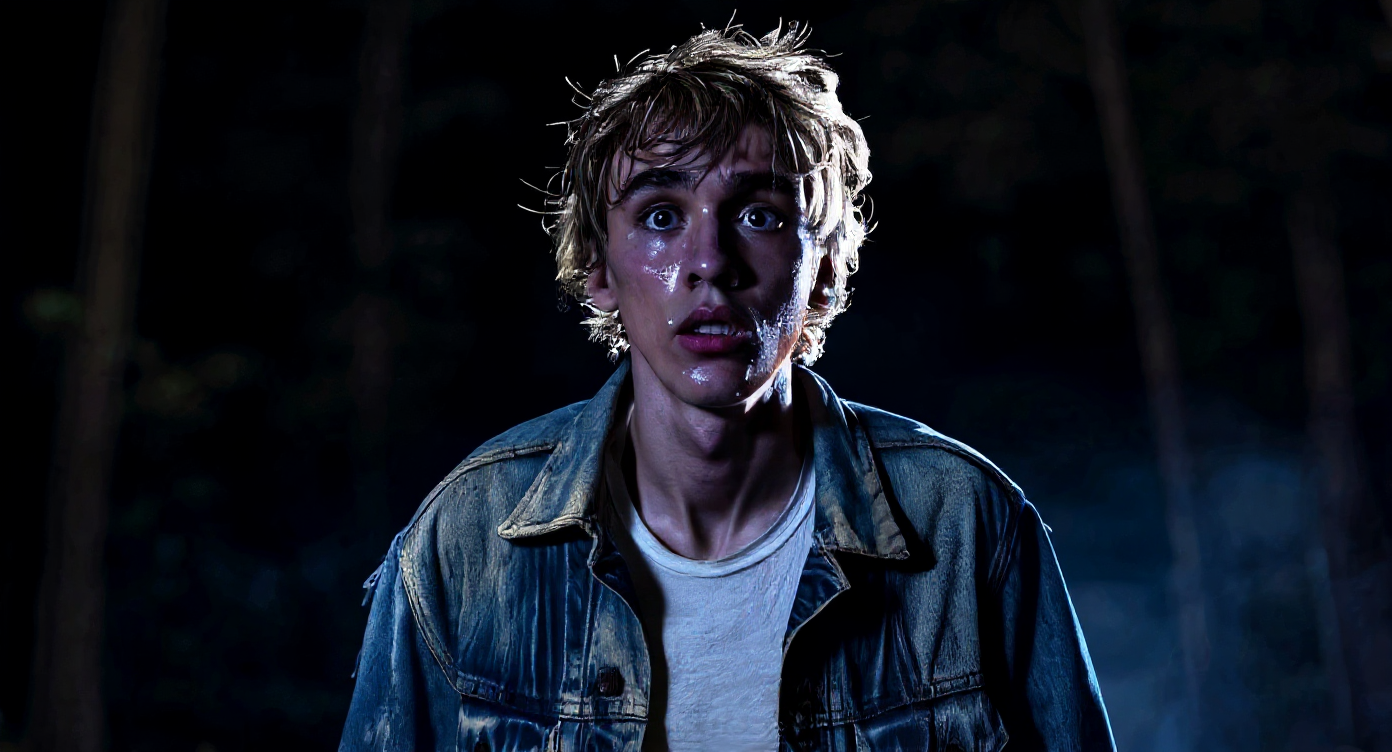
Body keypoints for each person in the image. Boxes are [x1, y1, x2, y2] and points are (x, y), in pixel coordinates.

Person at [339, 23, 1115, 752]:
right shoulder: (467, 538)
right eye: (660, 215)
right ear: (598, 268)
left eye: (760, 216)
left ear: (824, 271)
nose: (710, 261)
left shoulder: (964, 522)